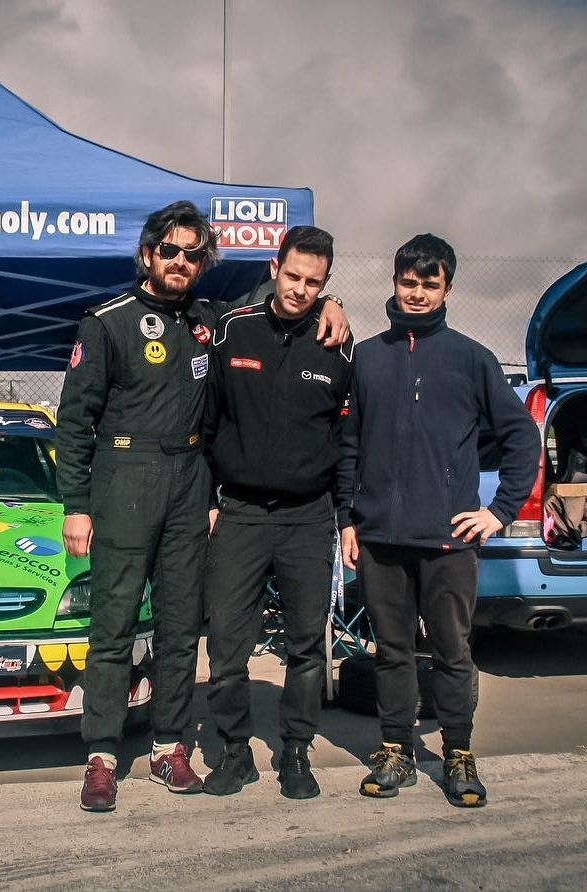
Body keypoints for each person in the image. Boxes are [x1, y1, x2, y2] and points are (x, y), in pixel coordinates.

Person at [56, 201, 349, 812]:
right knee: (111, 627)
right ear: (148, 254)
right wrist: (76, 505)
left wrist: (329, 304)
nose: (182, 262)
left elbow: (281, 304)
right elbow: (75, 420)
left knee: (181, 628)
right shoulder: (106, 323)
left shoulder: (212, 321)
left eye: (194, 254)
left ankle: (168, 744)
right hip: (124, 481)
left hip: (190, 484)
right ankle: (103, 756)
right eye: (172, 251)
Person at [336, 233, 538, 808]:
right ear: (394, 283)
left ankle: (457, 753)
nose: (418, 292)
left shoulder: (472, 358)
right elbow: (349, 445)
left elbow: (522, 437)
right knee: (392, 652)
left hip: (450, 542)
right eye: (409, 281)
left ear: (447, 287)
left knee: (452, 651)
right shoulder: (368, 358)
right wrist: (348, 519)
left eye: (430, 283)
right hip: (379, 539)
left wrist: (498, 512)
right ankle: (396, 750)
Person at [202, 225, 353, 800]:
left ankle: (295, 752)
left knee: (307, 645)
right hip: (238, 513)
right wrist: (209, 502)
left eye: (315, 283)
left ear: (326, 284)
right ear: (274, 267)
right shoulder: (232, 330)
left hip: (308, 518)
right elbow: (206, 421)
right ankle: (235, 753)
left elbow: (348, 438)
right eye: (292, 276)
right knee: (226, 645)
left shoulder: (340, 344)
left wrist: (346, 517)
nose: (300, 290)